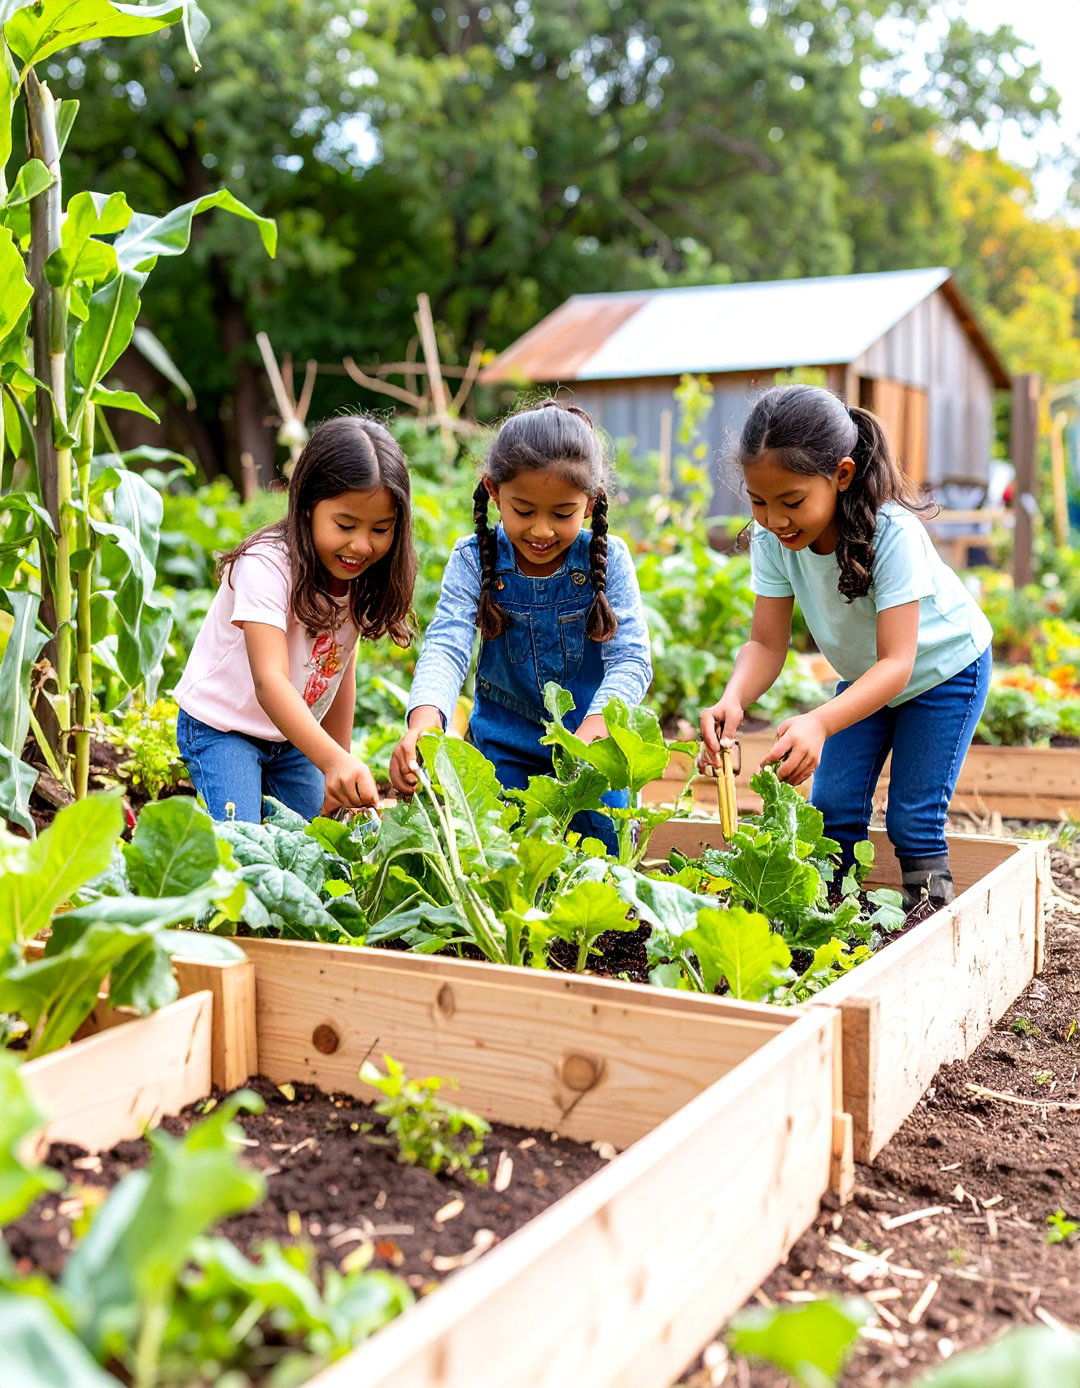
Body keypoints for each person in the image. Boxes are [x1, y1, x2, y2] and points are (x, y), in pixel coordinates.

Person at [699, 385, 992, 908]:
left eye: (792, 501)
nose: (774, 518)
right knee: (830, 808)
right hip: (867, 678)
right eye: (758, 501)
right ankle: (835, 920)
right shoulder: (771, 540)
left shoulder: (891, 532)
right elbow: (766, 644)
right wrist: (733, 699)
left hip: (944, 672)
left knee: (912, 818)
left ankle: (931, 924)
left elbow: (899, 663)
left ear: (842, 474)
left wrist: (819, 721)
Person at [389, 401, 652, 849]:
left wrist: (595, 730)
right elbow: (447, 646)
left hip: (591, 749)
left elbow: (631, 659)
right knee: (498, 852)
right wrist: (426, 720)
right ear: (494, 493)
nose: (542, 531)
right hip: (504, 749)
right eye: (524, 511)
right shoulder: (473, 559)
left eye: (563, 514)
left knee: (604, 854)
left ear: (590, 504)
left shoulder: (608, 560)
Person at [175, 415, 416, 821]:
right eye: (345, 524)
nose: (361, 544)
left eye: (380, 529)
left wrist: (339, 760)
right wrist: (330, 761)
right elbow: (270, 682)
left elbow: (341, 669)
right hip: (223, 729)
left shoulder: (359, 577)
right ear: (306, 507)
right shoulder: (267, 564)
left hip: (290, 740)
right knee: (244, 843)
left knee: (316, 841)